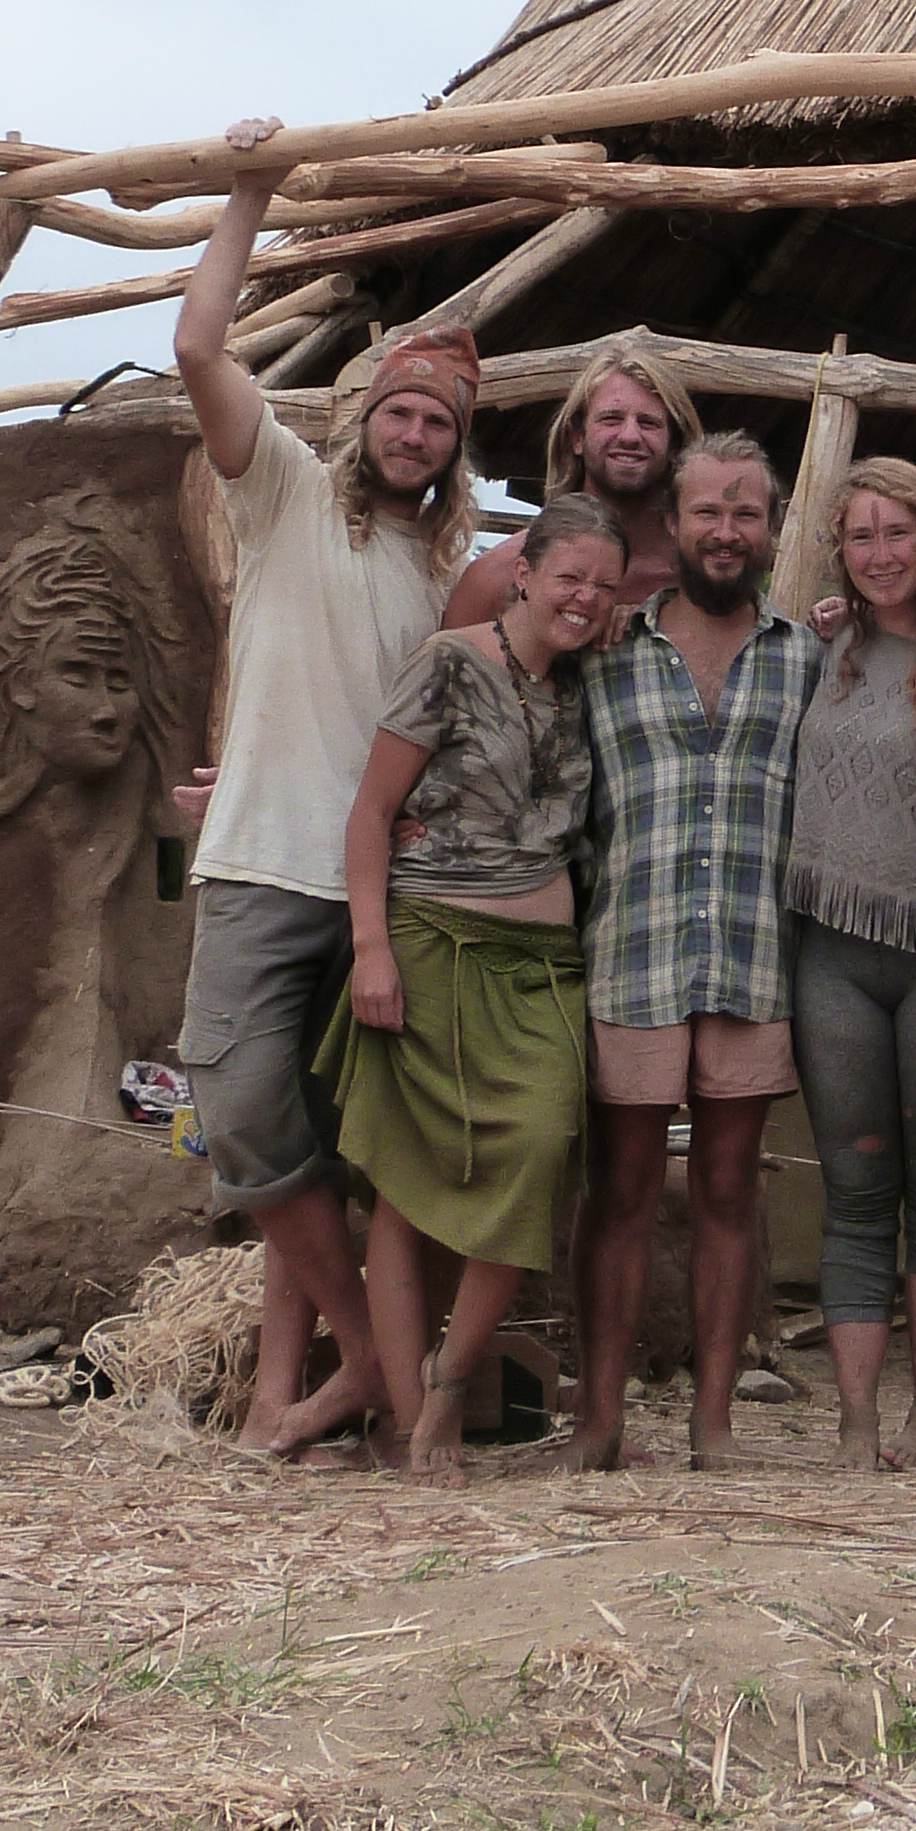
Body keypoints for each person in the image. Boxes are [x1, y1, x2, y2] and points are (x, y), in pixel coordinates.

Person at [170, 120, 479, 1457]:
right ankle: (370, 1368)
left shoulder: (449, 572)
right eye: (401, 410)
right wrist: (250, 193)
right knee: (239, 1106)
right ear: (364, 416)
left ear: (459, 446)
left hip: (377, 892)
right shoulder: (284, 492)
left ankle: (299, 1400)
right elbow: (197, 347)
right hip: (254, 863)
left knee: (334, 1138)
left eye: (441, 422)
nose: (416, 433)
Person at [316, 491, 625, 1482]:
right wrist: (371, 948)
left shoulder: (594, 688)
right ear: (525, 570)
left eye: (603, 587)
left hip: (543, 971)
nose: (583, 599)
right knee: (409, 1190)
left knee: (537, 1156)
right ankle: (418, 1428)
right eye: (568, 575)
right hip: (431, 944)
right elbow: (371, 814)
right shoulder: (450, 663)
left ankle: (451, 1377)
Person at [573, 431, 822, 1470]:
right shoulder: (605, 653)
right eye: (708, 512)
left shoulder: (807, 656)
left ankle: (712, 1423)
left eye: (747, 513)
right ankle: (600, 1418)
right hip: (629, 955)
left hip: (752, 958)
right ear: (671, 525)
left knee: (729, 1190)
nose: (727, 531)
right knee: (621, 1194)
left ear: (770, 530)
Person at [785, 456, 916, 1470]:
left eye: (897, 533)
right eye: (860, 536)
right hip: (831, 956)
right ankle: (858, 1423)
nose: (878, 555)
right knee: (856, 1187)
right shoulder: (821, 649)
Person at [446, 348, 703, 627]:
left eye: (648, 423)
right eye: (611, 419)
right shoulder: (500, 575)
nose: (630, 436)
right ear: (577, 437)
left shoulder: (699, 580)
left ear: (675, 447)